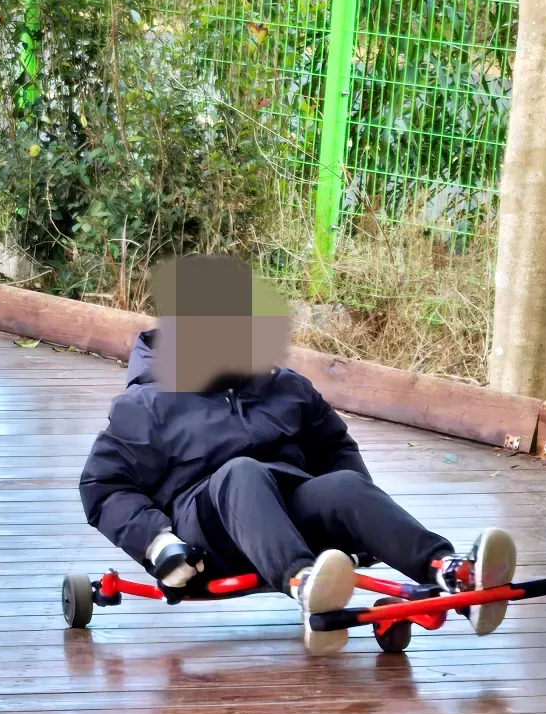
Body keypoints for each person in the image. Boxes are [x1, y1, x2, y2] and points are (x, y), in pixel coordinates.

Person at [78, 255, 517, 655]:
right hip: (208, 532)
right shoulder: (147, 405)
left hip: (289, 509)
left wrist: (354, 530)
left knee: (342, 485)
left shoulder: (284, 387)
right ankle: (305, 583)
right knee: (241, 473)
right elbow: (103, 487)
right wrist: (158, 544)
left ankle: (450, 570)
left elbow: (333, 447)